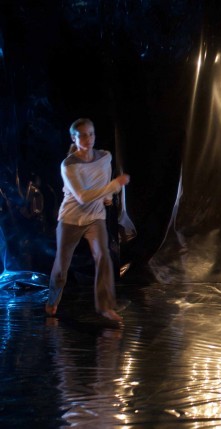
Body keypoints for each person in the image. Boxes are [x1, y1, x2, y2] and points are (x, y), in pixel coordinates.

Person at [45, 118, 130, 323]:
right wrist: (113, 186)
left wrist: (108, 197)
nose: (88, 138)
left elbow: (104, 181)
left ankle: (105, 307)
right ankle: (53, 299)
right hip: (71, 219)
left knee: (103, 256)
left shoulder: (105, 157)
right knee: (61, 266)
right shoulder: (69, 164)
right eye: (82, 134)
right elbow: (82, 196)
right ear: (74, 138)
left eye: (91, 133)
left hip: (95, 218)